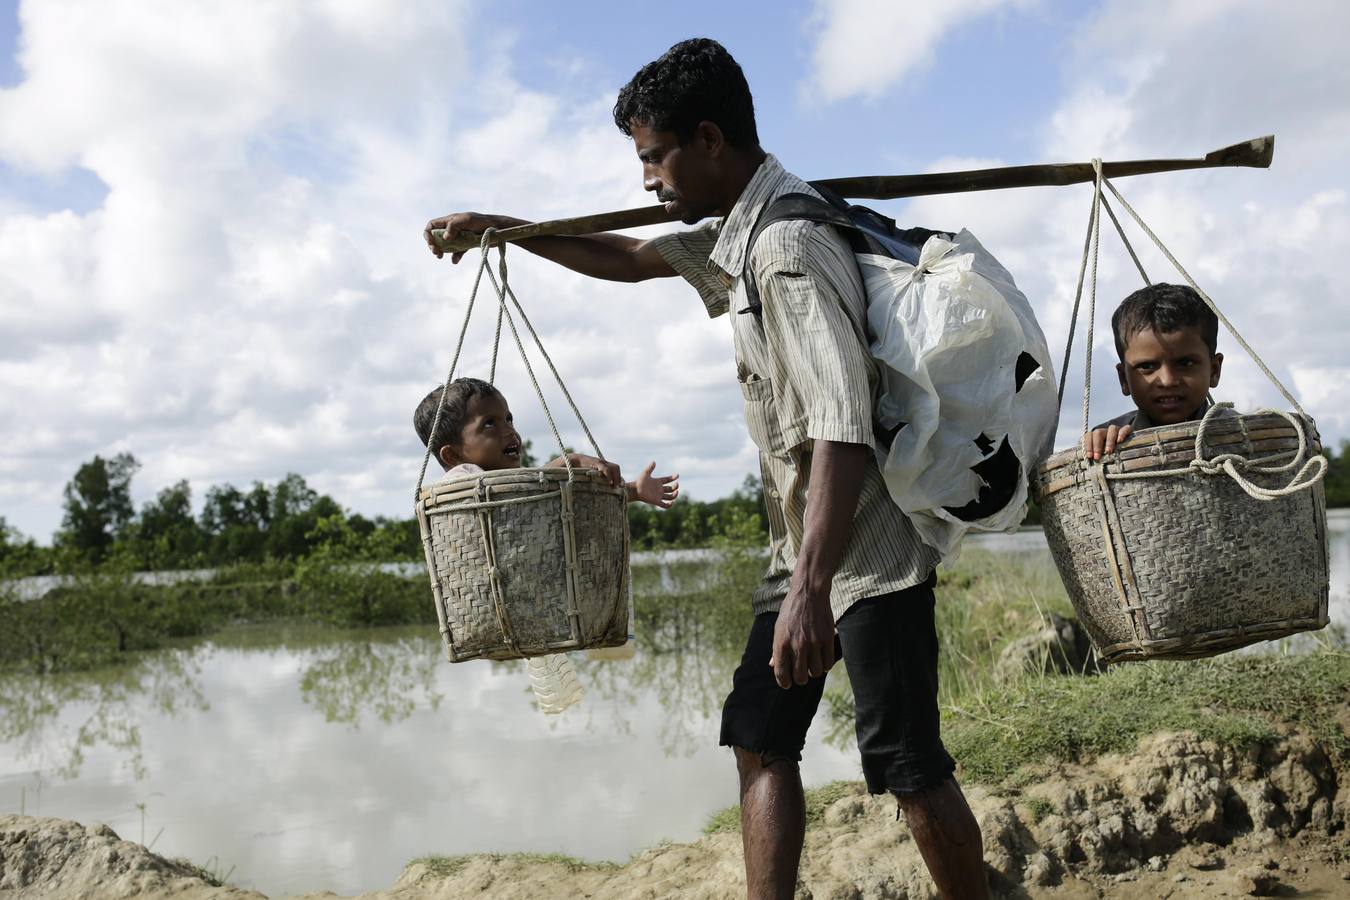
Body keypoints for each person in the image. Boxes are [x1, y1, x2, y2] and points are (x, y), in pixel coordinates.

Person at [423, 38, 989, 900]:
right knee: (760, 738)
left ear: (711, 140)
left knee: (908, 764)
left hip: (869, 554)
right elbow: (628, 259)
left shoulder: (787, 247)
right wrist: (504, 229)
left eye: (655, 158)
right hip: (801, 551)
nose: (649, 180)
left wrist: (812, 590)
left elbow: (841, 428)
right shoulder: (739, 236)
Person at [414, 377, 679, 508]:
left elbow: (538, 485)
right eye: (490, 424)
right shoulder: (462, 479)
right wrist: (570, 460)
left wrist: (633, 491)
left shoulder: (507, 484)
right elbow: (532, 485)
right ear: (452, 456)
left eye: (509, 419)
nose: (510, 431)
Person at [1082, 283, 1229, 461]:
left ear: (1214, 370)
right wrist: (1101, 449)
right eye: (1147, 366)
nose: (1167, 381)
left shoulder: (1247, 433)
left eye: (1186, 363)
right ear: (1124, 379)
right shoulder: (1110, 441)